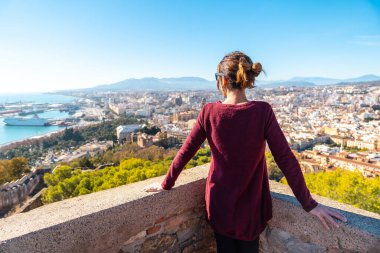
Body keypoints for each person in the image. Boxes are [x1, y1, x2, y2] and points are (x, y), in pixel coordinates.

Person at [143, 51, 347, 253]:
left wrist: (166, 183)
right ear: (249, 80)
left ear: (222, 81)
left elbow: (187, 151)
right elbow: (285, 158)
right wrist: (308, 204)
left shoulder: (209, 112)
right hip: (250, 208)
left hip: (218, 204)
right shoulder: (262, 111)